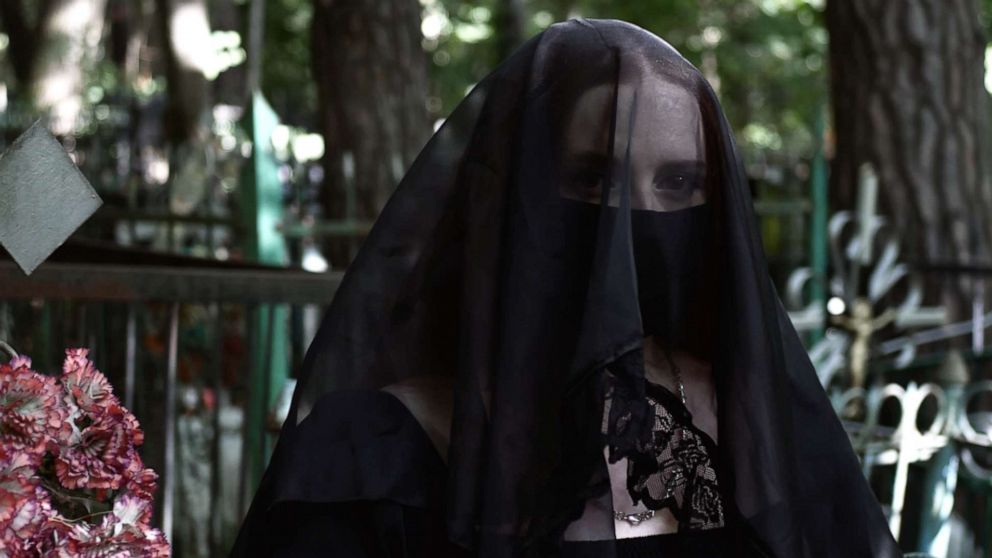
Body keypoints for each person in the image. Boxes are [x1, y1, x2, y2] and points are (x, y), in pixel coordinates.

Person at [230, 18, 901, 558]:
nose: (628, 232)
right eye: (593, 179)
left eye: (677, 184)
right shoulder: (374, 449)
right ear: (519, 200)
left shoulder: (761, 419)